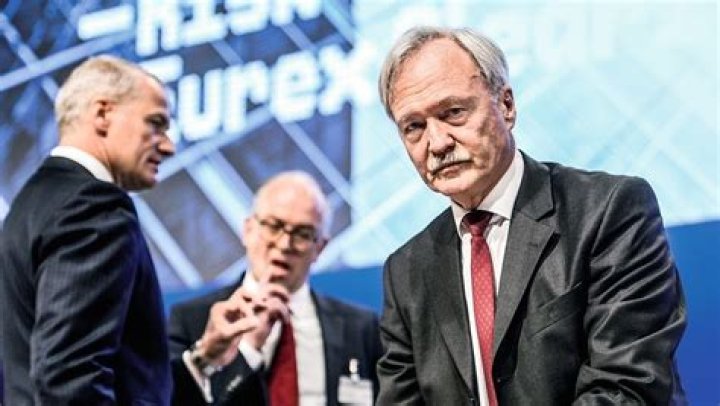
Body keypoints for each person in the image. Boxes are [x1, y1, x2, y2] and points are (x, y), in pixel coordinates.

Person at [376, 26, 687, 405]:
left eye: (454, 112)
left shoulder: (609, 209)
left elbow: (626, 387)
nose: (437, 143)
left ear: (506, 105)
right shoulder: (406, 270)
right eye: (414, 127)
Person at [0, 55, 175, 404]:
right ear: (102, 114)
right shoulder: (94, 206)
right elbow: (69, 376)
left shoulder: (29, 204)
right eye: (156, 124)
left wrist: (202, 359)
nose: (169, 146)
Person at [168, 171, 383, 405]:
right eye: (273, 226)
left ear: (320, 248)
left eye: (303, 234)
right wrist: (248, 348)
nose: (284, 244)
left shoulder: (360, 328)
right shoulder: (192, 321)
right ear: (248, 230)